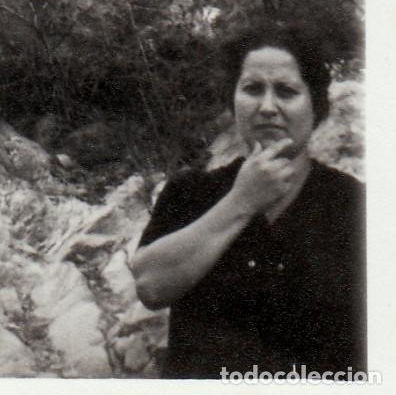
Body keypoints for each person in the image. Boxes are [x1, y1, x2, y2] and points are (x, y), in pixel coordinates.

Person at [131, 26, 365, 379]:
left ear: (316, 106)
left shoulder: (354, 204)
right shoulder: (190, 192)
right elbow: (150, 284)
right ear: (233, 101)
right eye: (253, 89)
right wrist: (242, 200)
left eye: (286, 91)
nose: (267, 107)